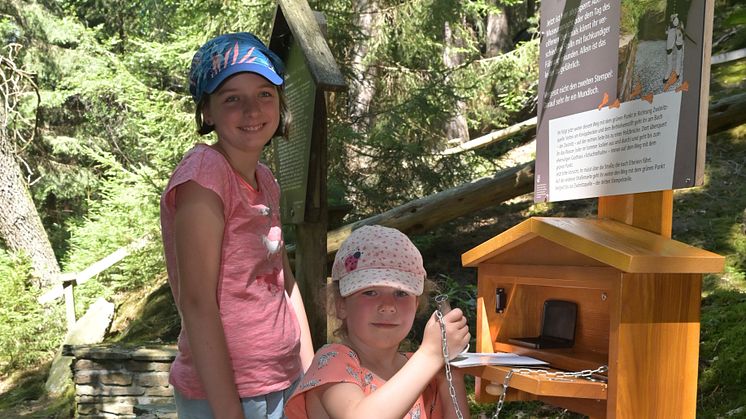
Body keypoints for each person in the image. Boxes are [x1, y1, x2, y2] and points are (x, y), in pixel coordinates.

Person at [160, 32, 314, 419]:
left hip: (282, 379)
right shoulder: (204, 177)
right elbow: (196, 302)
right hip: (229, 395)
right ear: (207, 112)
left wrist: (311, 377)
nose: (252, 109)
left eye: (265, 93)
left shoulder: (266, 178)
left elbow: (284, 281)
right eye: (232, 98)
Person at [285, 225, 471, 419]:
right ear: (339, 304)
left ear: (416, 304)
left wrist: (451, 373)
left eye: (401, 293)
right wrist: (430, 355)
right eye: (370, 292)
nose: (388, 306)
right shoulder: (333, 361)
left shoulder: (423, 368)